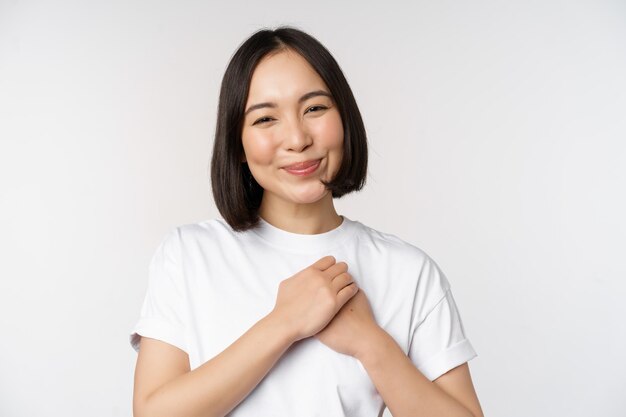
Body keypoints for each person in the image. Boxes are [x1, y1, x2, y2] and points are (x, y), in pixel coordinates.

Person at [129, 26, 483, 417]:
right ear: (238, 145)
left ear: (344, 119)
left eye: (314, 108)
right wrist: (284, 323)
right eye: (265, 119)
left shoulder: (408, 271)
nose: (297, 138)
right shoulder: (189, 255)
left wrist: (370, 342)